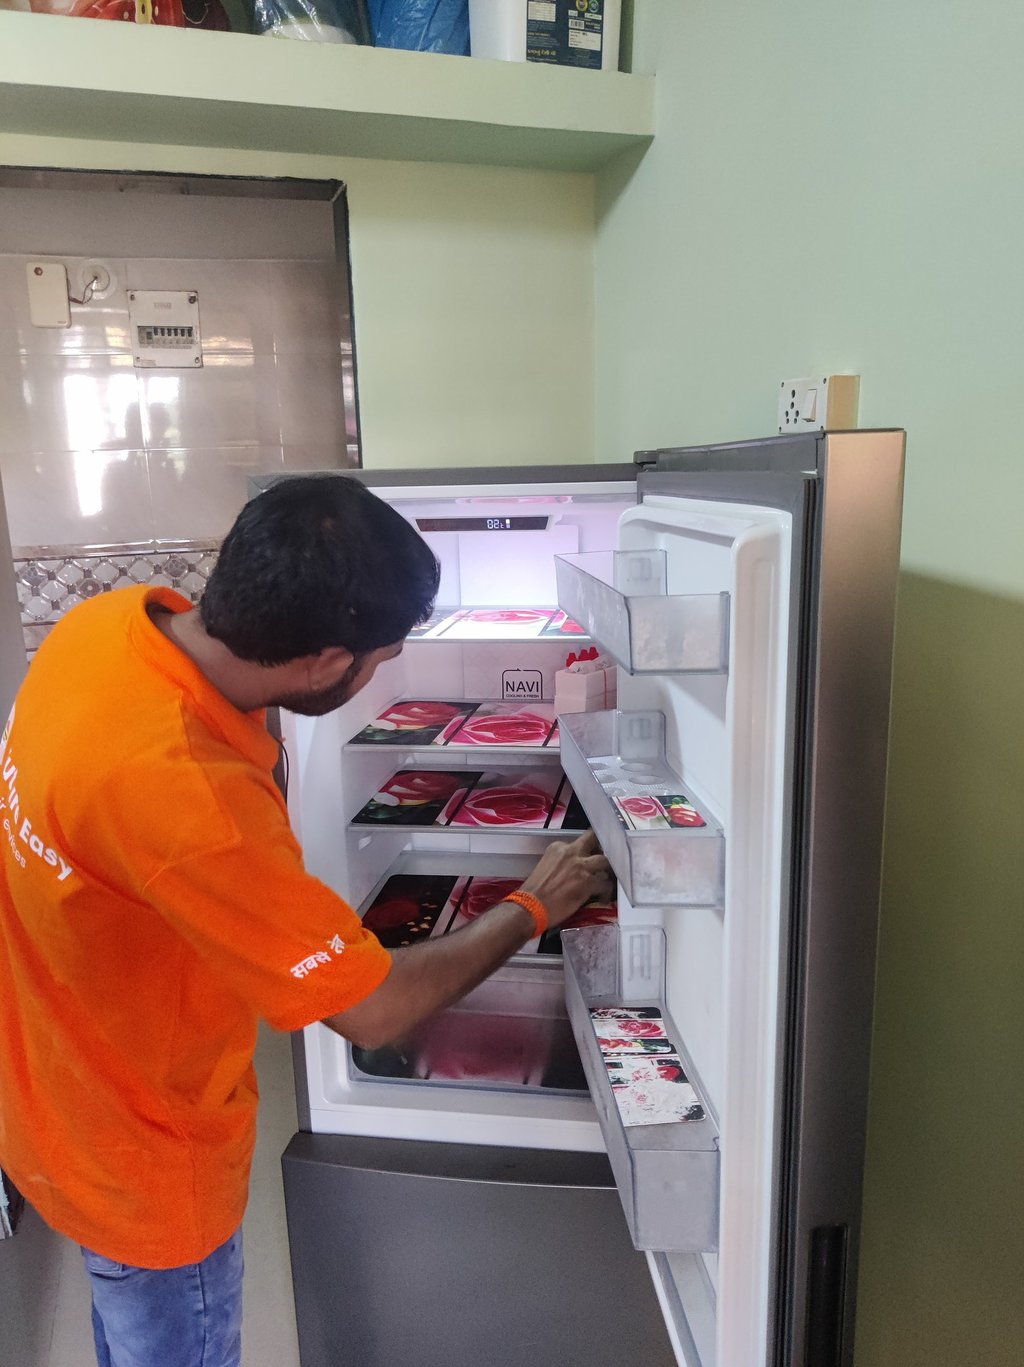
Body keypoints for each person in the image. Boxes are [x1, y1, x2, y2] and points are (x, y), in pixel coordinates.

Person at [0, 475, 612, 1367]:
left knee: (119, 1310)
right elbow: (370, 1013)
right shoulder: (193, 804)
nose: (383, 672)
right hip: (146, 1157)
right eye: (383, 657)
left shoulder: (107, 626)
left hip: (48, 1087)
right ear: (326, 662)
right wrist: (532, 905)